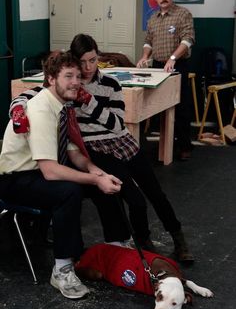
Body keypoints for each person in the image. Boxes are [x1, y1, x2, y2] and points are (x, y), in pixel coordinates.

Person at [9, 34, 194, 263]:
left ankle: (178, 240)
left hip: (121, 140)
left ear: (99, 57)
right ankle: (143, 244)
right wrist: (16, 109)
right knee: (134, 199)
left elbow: (117, 123)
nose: (87, 68)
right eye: (82, 62)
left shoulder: (110, 84)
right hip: (93, 147)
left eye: (93, 60)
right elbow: (31, 94)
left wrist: (90, 102)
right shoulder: (70, 83)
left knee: (155, 192)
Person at [0, 51, 129, 300]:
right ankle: (62, 270)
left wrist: (96, 172)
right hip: (14, 179)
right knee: (69, 191)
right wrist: (94, 180)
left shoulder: (60, 106)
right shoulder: (40, 109)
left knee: (101, 179)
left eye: (78, 76)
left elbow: (72, 152)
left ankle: (117, 246)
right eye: (68, 76)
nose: (76, 82)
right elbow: (50, 171)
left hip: (37, 173)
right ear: (50, 79)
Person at [137, 0, 195, 160]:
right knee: (157, 105)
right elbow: (148, 41)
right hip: (157, 66)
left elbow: (188, 39)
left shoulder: (183, 14)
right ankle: (164, 145)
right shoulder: (153, 18)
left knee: (181, 107)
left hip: (178, 65)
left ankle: (185, 146)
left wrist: (173, 58)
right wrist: (144, 57)